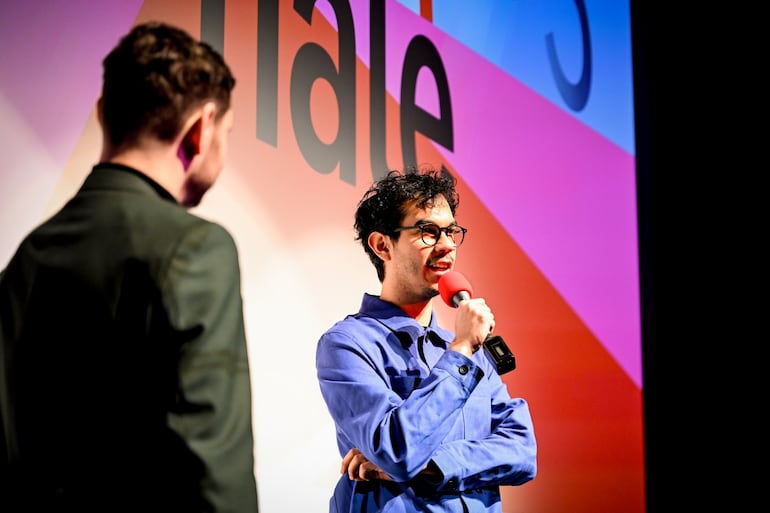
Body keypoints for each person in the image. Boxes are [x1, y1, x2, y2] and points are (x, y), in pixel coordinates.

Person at [0, 22, 258, 513]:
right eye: (227, 133)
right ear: (200, 130)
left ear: (102, 114)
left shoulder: (25, 260)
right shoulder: (197, 247)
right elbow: (213, 473)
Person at [315, 167, 537, 512]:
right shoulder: (347, 344)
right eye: (428, 232)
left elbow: (521, 451)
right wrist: (462, 350)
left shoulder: (471, 349)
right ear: (382, 245)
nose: (447, 245)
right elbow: (397, 450)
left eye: (451, 231)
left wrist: (434, 466)